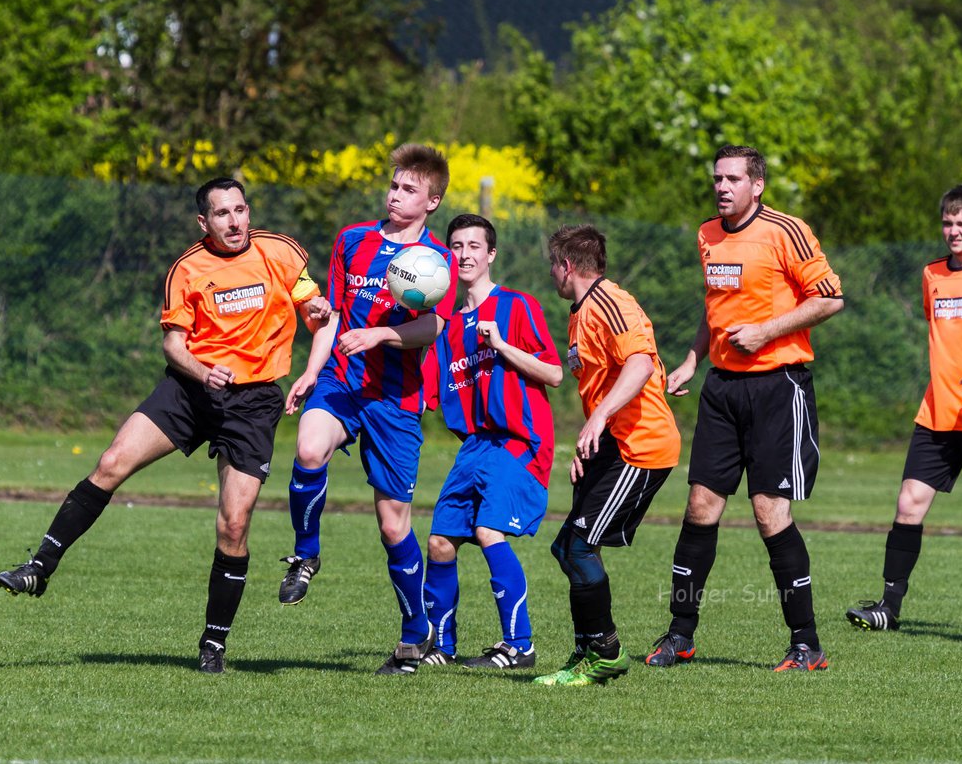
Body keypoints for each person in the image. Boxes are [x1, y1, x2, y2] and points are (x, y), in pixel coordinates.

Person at [0, 177, 330, 675]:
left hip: (254, 401)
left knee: (233, 526)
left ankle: (214, 642)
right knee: (111, 463)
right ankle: (40, 566)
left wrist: (312, 356)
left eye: (240, 210)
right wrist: (202, 370)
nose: (235, 221)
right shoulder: (187, 268)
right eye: (222, 214)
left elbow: (317, 314)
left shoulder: (280, 252)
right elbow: (174, 345)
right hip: (189, 391)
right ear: (204, 222)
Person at [647, 144, 844, 673]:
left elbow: (830, 298)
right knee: (699, 508)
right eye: (717, 178)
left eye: (733, 178)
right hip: (721, 389)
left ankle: (807, 643)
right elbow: (714, 310)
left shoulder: (786, 230)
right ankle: (679, 635)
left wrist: (767, 331)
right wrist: (692, 359)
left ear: (757, 185)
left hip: (779, 388)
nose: (722, 187)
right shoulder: (707, 234)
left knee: (769, 512)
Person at [281, 143, 458, 675]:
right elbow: (332, 316)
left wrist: (382, 332)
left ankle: (414, 635)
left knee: (391, 527)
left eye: (409, 189)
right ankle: (305, 554)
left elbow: (432, 327)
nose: (395, 194)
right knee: (309, 448)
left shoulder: (436, 262)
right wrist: (311, 371)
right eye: (395, 185)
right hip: (341, 379)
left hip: (396, 400)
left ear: (433, 201)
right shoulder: (352, 241)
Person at [846, 185, 962, 632]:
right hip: (939, 414)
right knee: (908, 504)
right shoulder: (931, 275)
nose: (954, 231)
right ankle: (889, 607)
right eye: (947, 223)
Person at [531, 224, 681, 687]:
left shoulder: (611, 302)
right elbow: (606, 382)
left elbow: (638, 363)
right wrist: (591, 438)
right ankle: (585, 653)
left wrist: (598, 421)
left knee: (580, 547)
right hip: (613, 444)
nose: (551, 275)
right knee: (566, 548)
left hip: (643, 447)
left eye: (552, 266)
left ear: (567, 266)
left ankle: (606, 653)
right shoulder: (582, 311)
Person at [418, 214, 562, 671]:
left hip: (521, 441)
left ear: (490, 254)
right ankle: (442, 646)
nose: (464, 254)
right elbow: (432, 396)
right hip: (475, 447)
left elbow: (555, 374)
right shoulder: (449, 329)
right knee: (440, 541)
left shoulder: (517, 306)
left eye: (474, 246)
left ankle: (519, 646)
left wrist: (500, 345)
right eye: (456, 246)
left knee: (487, 530)